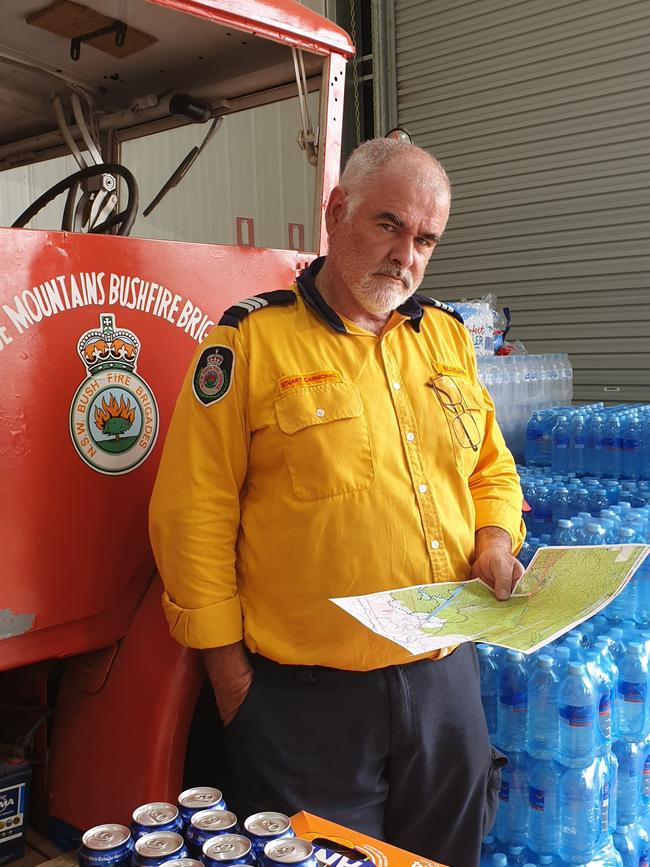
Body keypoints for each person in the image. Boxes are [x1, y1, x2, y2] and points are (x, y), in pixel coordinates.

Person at [149, 138, 525, 867]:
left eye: (425, 239)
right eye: (389, 225)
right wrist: (233, 686)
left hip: (446, 685)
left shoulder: (445, 338)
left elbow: (490, 466)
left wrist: (494, 541)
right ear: (336, 212)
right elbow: (192, 517)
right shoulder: (250, 342)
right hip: (307, 706)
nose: (406, 255)